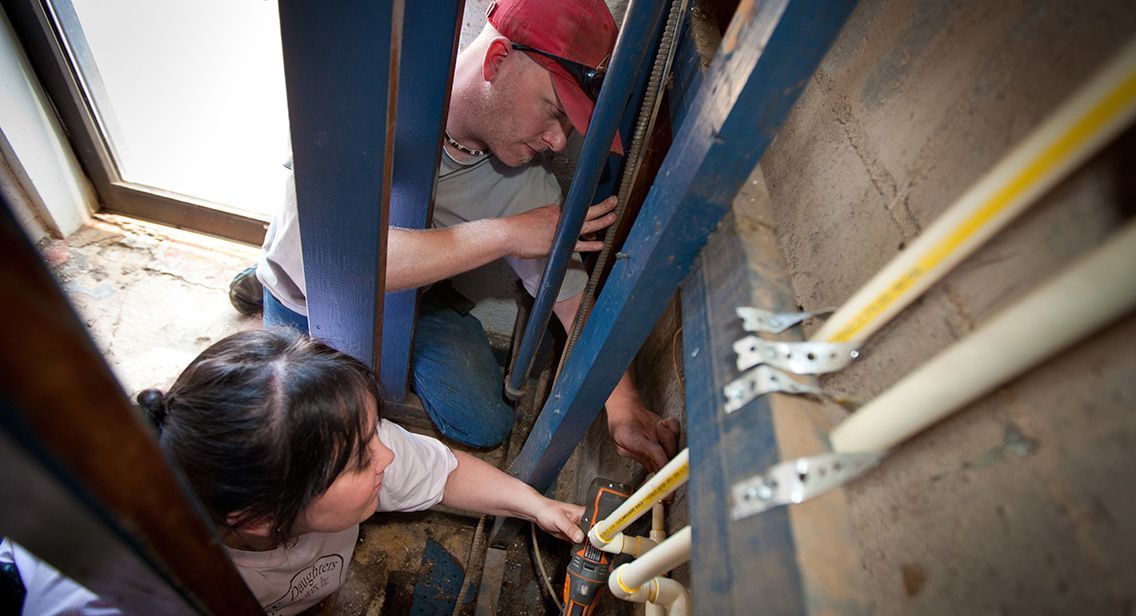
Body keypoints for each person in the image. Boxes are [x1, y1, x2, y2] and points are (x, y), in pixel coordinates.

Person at [252, 0, 680, 471]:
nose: (559, 141)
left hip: (412, 301)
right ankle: (259, 272)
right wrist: (506, 236)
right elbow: (326, 264)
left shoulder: (525, 183)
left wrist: (620, 403)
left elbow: (573, 304)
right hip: (308, 297)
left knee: (485, 425)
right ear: (497, 59)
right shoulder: (369, 97)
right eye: (555, 111)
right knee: (299, 437)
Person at [136, 328, 584, 615]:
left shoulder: (338, 445)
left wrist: (537, 506)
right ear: (261, 518)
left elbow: (445, 474)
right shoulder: (183, 585)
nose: (385, 456)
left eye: (374, 434)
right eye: (360, 460)